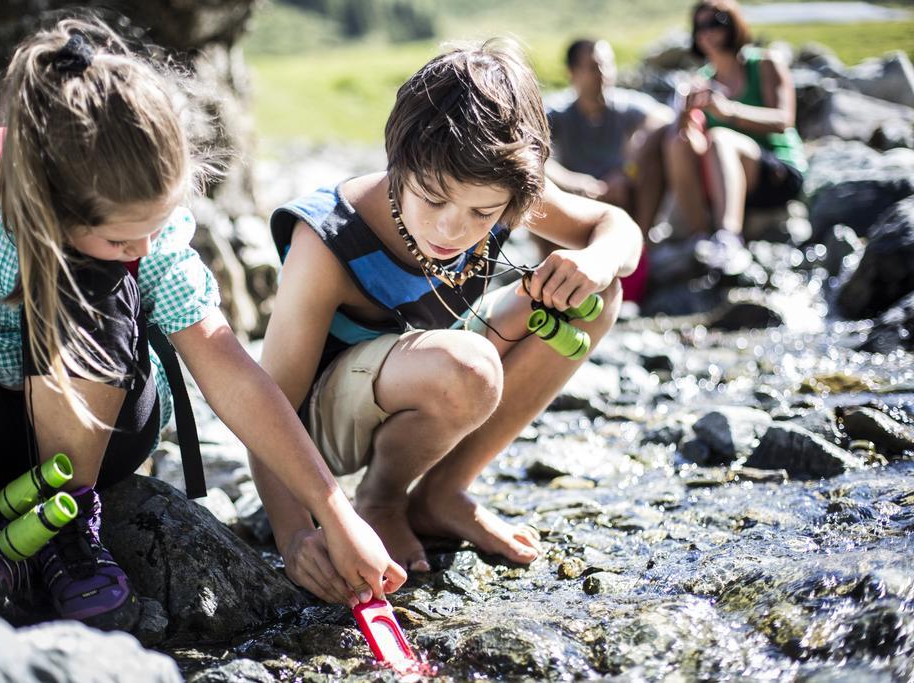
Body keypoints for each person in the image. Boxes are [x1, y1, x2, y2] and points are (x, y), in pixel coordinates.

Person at [0, 18, 404, 629]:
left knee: (93, 281)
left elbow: (229, 370)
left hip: (94, 430)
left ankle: (67, 531)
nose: (145, 247)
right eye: (121, 236)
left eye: (156, 227)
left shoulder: (148, 248)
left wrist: (335, 514)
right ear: (43, 198)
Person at [256, 40, 641, 600]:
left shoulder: (500, 188)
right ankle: (381, 499)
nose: (451, 229)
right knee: (469, 368)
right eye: (432, 199)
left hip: (432, 367)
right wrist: (295, 534)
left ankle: (442, 492)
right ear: (400, 165)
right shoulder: (329, 241)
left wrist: (596, 260)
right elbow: (268, 404)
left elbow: (614, 225)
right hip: (322, 430)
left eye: (481, 214)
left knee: (596, 296)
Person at [663, 0, 806, 238]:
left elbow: (783, 120)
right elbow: (691, 144)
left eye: (714, 23)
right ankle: (700, 236)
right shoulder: (701, 81)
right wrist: (685, 115)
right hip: (726, 179)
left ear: (734, 25)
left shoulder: (764, 63)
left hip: (777, 172)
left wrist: (729, 111)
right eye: (699, 27)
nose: (707, 33)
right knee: (678, 144)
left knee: (720, 139)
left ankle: (728, 236)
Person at [544, 39, 671, 302]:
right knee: (533, 184)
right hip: (577, 200)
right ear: (573, 73)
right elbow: (530, 153)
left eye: (606, 66)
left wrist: (627, 170)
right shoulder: (558, 112)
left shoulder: (624, 105)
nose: (603, 74)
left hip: (623, 194)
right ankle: (549, 270)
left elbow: (663, 118)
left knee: (654, 161)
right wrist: (575, 183)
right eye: (593, 67)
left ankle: (642, 248)